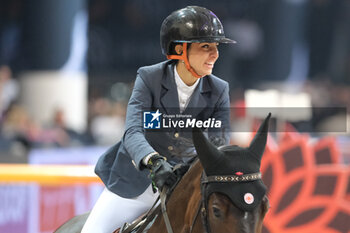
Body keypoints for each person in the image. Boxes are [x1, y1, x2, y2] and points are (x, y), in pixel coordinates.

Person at [81, 6, 236, 233]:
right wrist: (153, 161)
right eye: (206, 47)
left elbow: (219, 142)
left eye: (216, 47)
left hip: (183, 189)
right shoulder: (149, 78)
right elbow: (134, 131)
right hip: (135, 184)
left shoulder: (219, 90)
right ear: (180, 49)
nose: (215, 54)